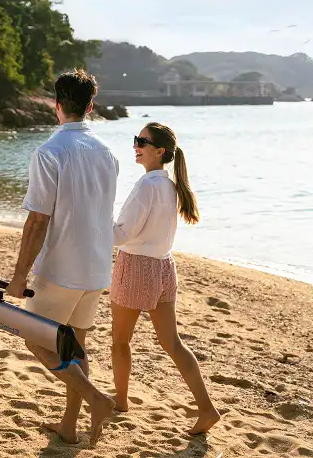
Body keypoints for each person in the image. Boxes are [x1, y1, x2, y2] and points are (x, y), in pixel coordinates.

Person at [5, 69, 118, 445]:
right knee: (75, 346)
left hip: (61, 269)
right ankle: (69, 426)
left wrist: (19, 274)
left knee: (35, 339)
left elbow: (38, 220)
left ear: (56, 104)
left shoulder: (50, 152)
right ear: (90, 106)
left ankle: (96, 399)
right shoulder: (108, 153)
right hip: (97, 267)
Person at [109, 122, 221, 435]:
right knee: (172, 343)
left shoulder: (147, 186)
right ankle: (207, 408)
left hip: (136, 267)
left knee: (120, 340)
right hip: (163, 267)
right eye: (135, 139)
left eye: (141, 141)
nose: (135, 146)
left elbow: (122, 235)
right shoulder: (170, 186)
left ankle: (121, 401)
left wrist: (93, 225)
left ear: (159, 151)